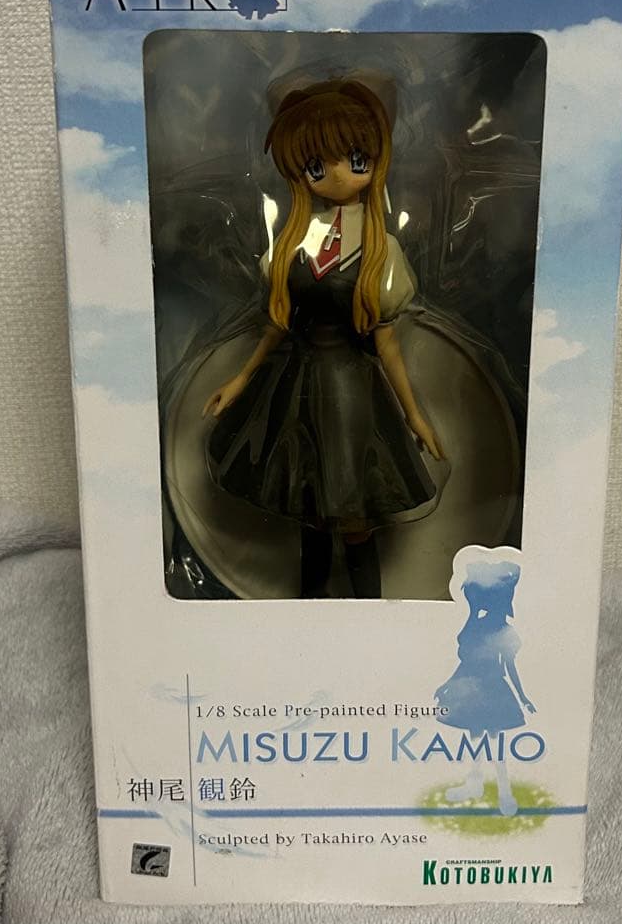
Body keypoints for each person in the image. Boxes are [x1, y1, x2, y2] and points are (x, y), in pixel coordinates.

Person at [203, 79, 445, 598]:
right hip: (294, 393)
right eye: (317, 166)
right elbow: (277, 325)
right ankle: (308, 611)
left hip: (352, 394)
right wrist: (240, 380)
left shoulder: (380, 249)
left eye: (354, 160)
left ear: (374, 160)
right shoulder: (295, 241)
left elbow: (388, 343)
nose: (336, 175)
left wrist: (415, 415)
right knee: (309, 514)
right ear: (301, 172)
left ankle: (370, 614)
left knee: (354, 518)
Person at [435, 555, 535, 815]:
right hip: (471, 689)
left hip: (492, 691)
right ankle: (475, 783)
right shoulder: (476, 624)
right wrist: (446, 685)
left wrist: (523, 697)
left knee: (495, 743)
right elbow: (467, 662)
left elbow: (509, 667)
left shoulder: (504, 631)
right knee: (475, 739)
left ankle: (505, 791)